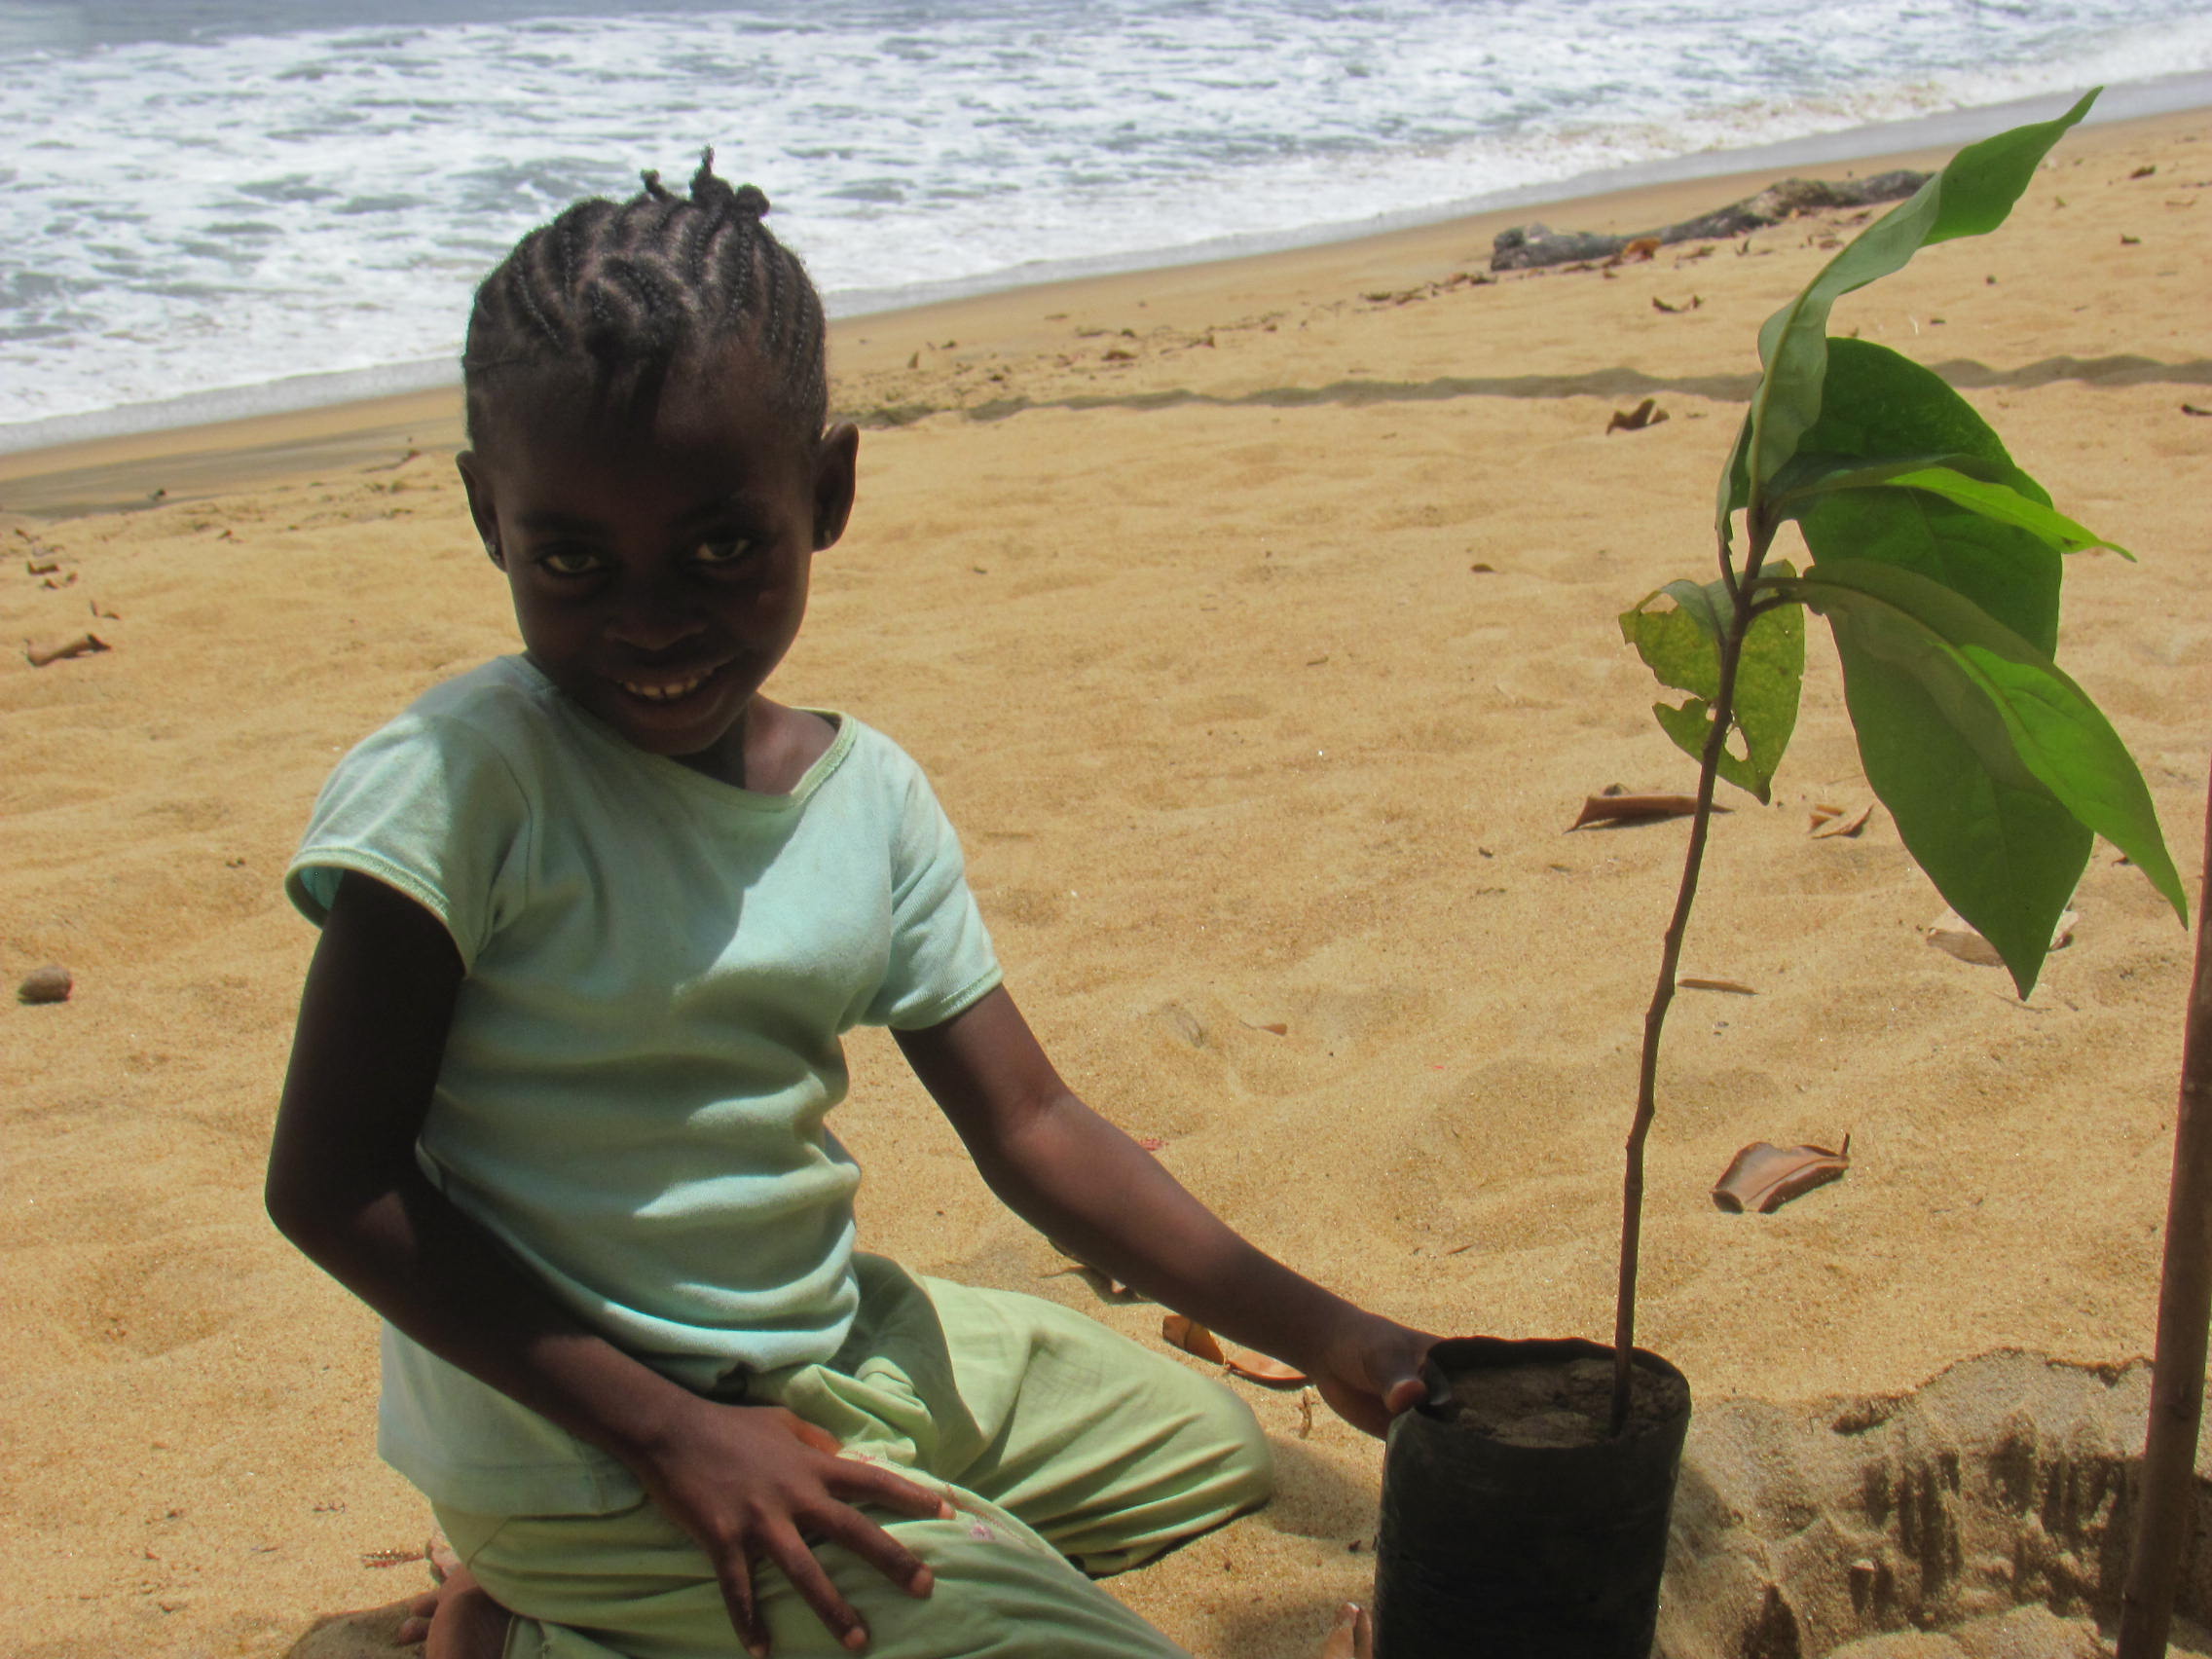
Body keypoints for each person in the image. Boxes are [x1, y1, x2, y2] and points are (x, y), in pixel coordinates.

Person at [265, 153, 1430, 1659]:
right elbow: (332, 1185)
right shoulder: (464, 782)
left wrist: (1329, 1332)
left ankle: (747, 1541)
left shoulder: (864, 793)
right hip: (579, 1440)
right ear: (490, 519)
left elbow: (1034, 1127)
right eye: (572, 561)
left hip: (816, 1350)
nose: (654, 618)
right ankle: (541, 1613)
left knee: (1212, 1449)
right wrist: (676, 1434)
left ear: (825, 493)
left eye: (722, 546)